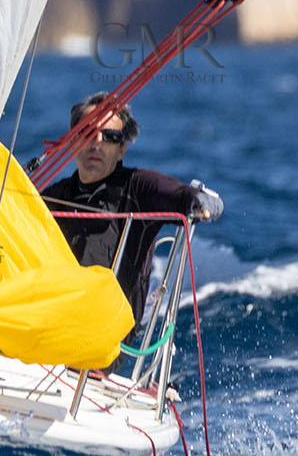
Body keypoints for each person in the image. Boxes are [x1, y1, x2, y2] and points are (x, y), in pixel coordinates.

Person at [39, 92, 222, 325]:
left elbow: (182, 195)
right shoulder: (52, 197)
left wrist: (201, 201)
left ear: (122, 149)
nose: (97, 142)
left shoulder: (138, 188)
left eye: (110, 137)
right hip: (49, 320)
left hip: (105, 337)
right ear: (73, 141)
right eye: (87, 132)